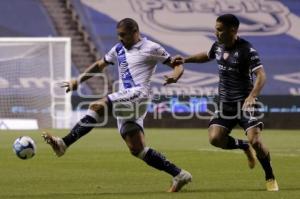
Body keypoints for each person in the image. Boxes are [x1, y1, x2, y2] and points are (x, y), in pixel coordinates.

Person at [42, 18, 191, 192]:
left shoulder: (151, 48)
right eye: (118, 35)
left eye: (123, 35)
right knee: (137, 149)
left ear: (135, 32)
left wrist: (175, 75)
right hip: (128, 100)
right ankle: (180, 174)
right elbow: (99, 65)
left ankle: (64, 144)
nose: (120, 39)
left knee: (97, 106)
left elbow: (177, 64)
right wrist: (78, 80)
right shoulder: (119, 48)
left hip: (139, 93)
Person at [172, 14, 278, 191]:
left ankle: (270, 176)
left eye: (220, 30)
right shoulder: (218, 45)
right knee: (215, 139)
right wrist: (185, 59)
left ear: (233, 30)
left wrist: (252, 96)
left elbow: (261, 75)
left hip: (245, 104)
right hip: (225, 104)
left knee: (256, 142)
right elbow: (207, 55)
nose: (216, 32)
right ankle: (242, 145)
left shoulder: (246, 49)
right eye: (216, 28)